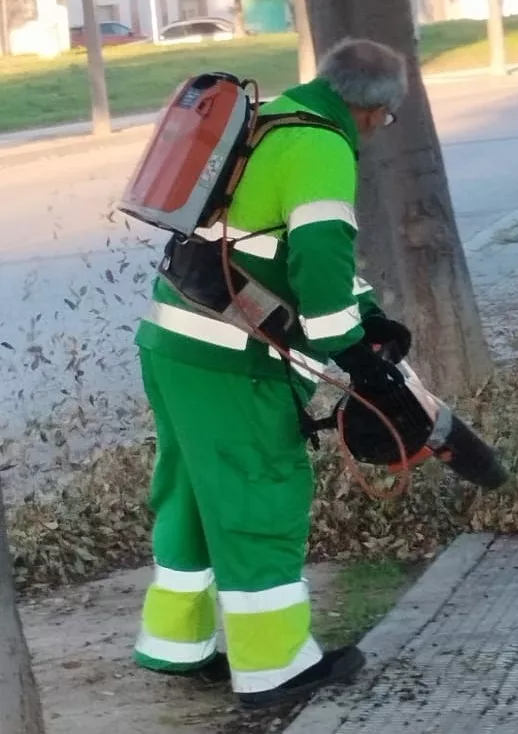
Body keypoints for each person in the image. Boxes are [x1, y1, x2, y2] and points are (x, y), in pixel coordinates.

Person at [131, 39, 414, 707]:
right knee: (258, 494)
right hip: (230, 359)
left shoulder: (271, 116)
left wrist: (368, 313)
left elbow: (267, 243)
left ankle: (175, 644)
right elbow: (318, 257)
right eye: (386, 120)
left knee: (190, 493)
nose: (379, 130)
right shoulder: (322, 147)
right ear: (371, 111)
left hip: (172, 339)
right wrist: (354, 352)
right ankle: (274, 666)